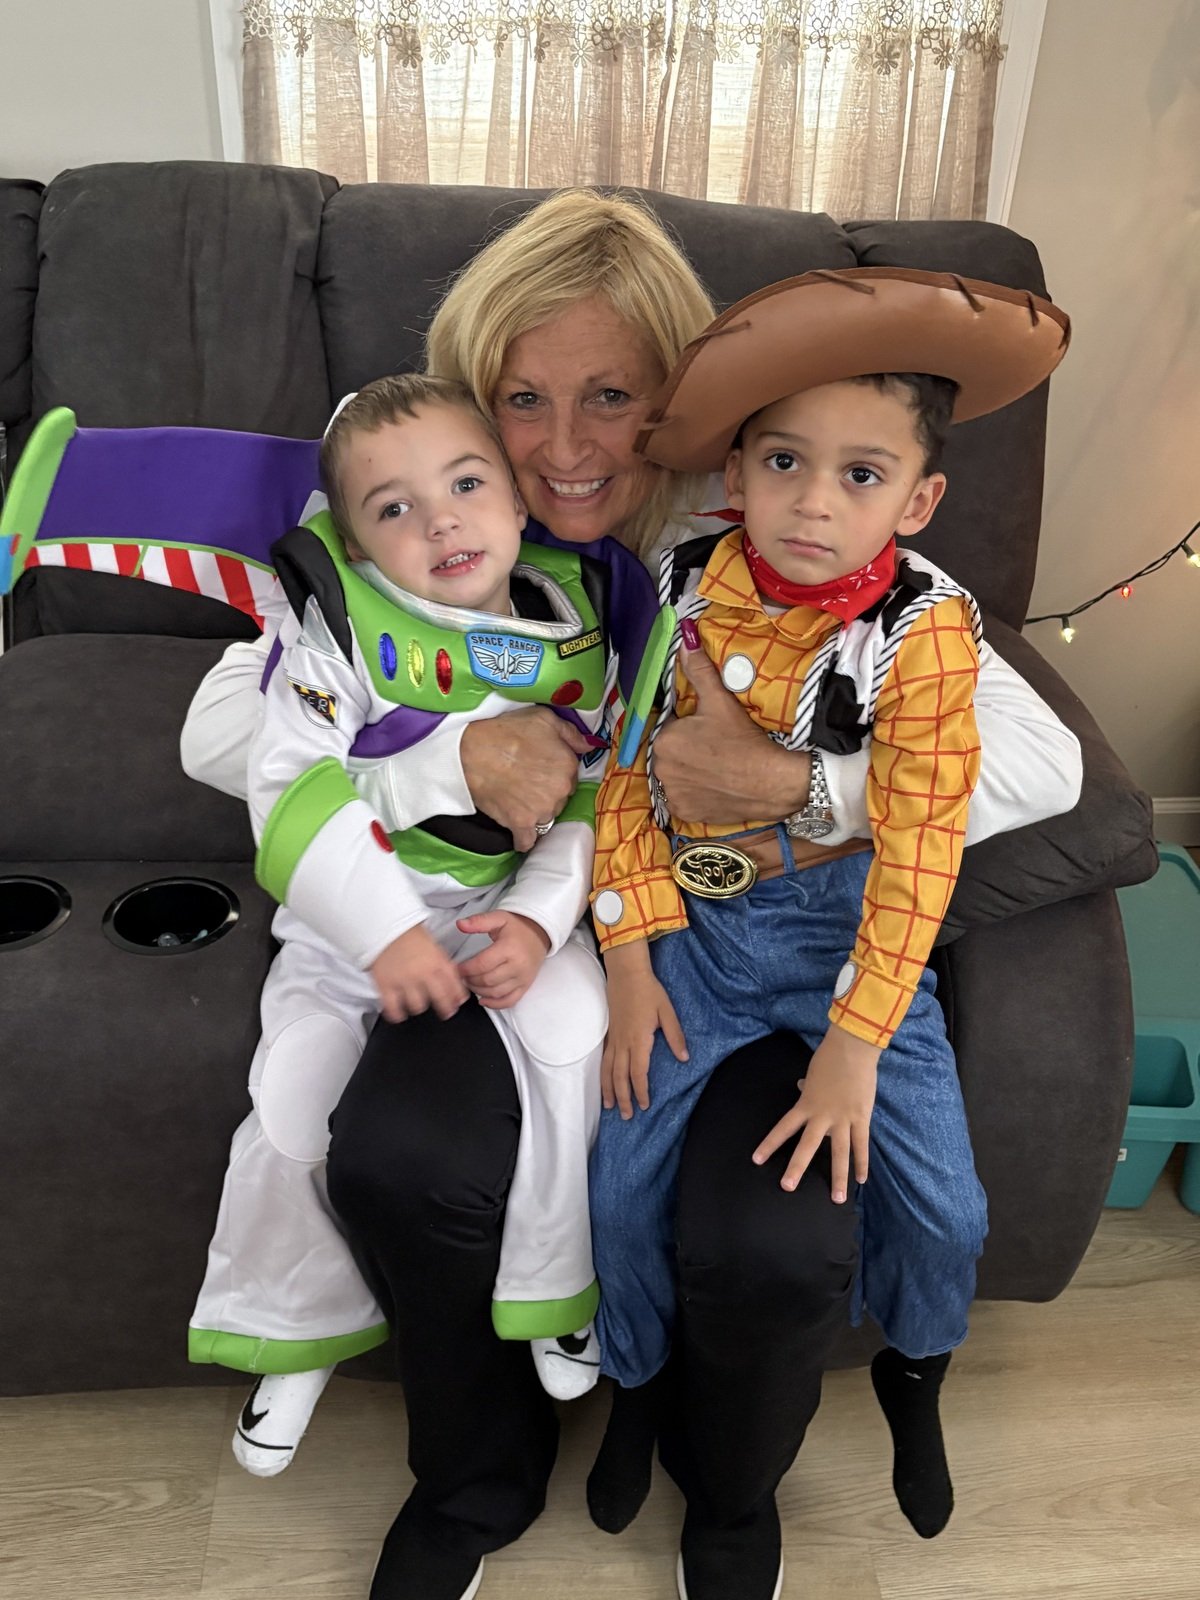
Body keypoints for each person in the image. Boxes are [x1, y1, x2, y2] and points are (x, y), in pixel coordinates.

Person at [179, 192, 1083, 1600]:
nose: (563, 447)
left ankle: (732, 1486)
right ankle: (473, 1475)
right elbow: (220, 730)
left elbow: (1043, 761)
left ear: (689, 406)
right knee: (398, 1149)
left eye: (611, 397)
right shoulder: (409, 510)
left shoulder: (777, 511)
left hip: (737, 934)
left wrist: (793, 787)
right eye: (521, 400)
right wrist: (446, 755)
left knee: (779, 1224)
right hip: (512, 917)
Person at [588, 269, 1072, 1575]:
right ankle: (636, 1383)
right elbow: (624, 777)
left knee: (948, 1208)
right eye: (785, 462)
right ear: (736, 471)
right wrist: (628, 957)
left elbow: (919, 848)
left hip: (849, 948)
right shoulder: (678, 584)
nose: (812, 502)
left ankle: (917, 1372)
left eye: (861, 476)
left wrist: (856, 1042)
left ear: (917, 502)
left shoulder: (929, 632)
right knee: (619, 1182)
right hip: (694, 936)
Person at [190, 372, 671, 1474]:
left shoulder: (582, 615)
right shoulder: (332, 625)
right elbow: (290, 788)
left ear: (516, 498)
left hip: (506, 902)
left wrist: (540, 924)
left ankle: (554, 1291)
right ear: (352, 541)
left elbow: (592, 801)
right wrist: (383, 932)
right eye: (394, 507)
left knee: (571, 1040)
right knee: (292, 1105)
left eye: (465, 486)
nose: (441, 522)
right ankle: (299, 1330)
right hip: (348, 926)